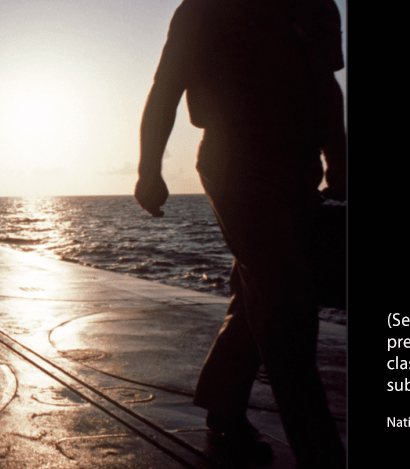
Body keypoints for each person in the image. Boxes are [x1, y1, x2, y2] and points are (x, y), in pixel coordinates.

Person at [134, 1, 346, 467]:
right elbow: (167, 85)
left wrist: (339, 161)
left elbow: (328, 87)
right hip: (236, 161)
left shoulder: (319, 8)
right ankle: (322, 455)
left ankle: (223, 400)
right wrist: (149, 169)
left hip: (301, 167)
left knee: (259, 286)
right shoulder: (204, 7)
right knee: (288, 301)